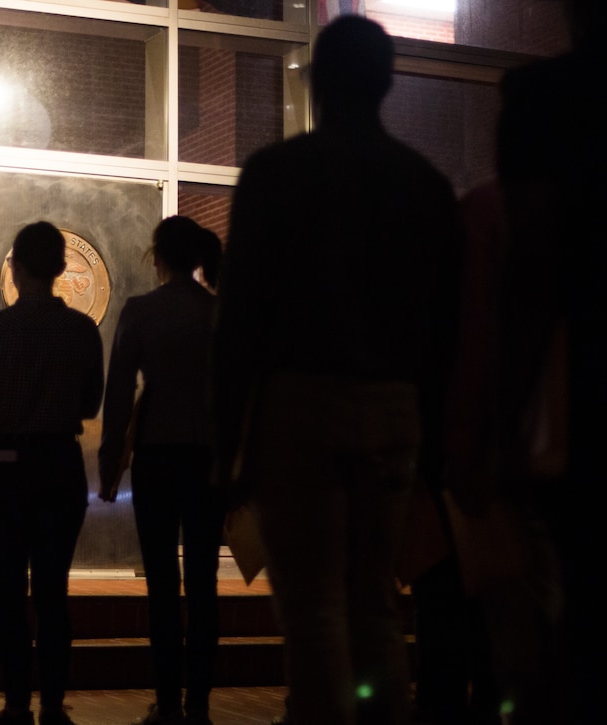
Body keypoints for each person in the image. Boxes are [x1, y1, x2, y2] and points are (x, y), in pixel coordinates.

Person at [213, 16, 460, 725]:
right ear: (388, 84)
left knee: (313, 606)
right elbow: (445, 325)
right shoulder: (424, 184)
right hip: (394, 407)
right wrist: (435, 444)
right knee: (375, 604)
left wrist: (230, 445)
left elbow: (240, 323)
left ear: (317, 82)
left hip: (300, 402)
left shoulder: (276, 174)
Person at [495, 2, 607, 722]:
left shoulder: (544, 100)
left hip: (599, 387)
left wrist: (502, 415)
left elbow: (532, 272)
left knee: (595, 600)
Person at [0, 221, 104, 725]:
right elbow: (90, 402)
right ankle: (55, 708)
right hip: (60, 467)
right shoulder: (83, 331)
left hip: (4, 471)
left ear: (14, 269)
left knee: (9, 596)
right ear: (62, 269)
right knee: (53, 592)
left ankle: (16, 706)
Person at [98, 216, 225, 725]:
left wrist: (110, 465)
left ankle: (168, 701)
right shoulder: (219, 313)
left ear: (160, 257)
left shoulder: (142, 311)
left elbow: (119, 395)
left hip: (157, 457)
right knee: (204, 581)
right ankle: (199, 704)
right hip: (209, 459)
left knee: (161, 584)